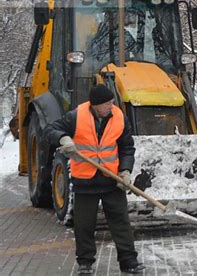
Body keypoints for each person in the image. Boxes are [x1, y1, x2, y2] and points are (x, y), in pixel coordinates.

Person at [44, 84, 145, 275]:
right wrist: (63, 138)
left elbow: (126, 148)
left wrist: (125, 170)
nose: (111, 106)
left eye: (112, 102)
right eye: (107, 103)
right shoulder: (75, 116)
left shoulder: (119, 117)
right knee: (84, 225)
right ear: (95, 104)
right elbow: (50, 129)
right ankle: (85, 263)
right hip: (85, 182)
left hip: (111, 180)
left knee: (121, 223)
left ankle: (129, 261)